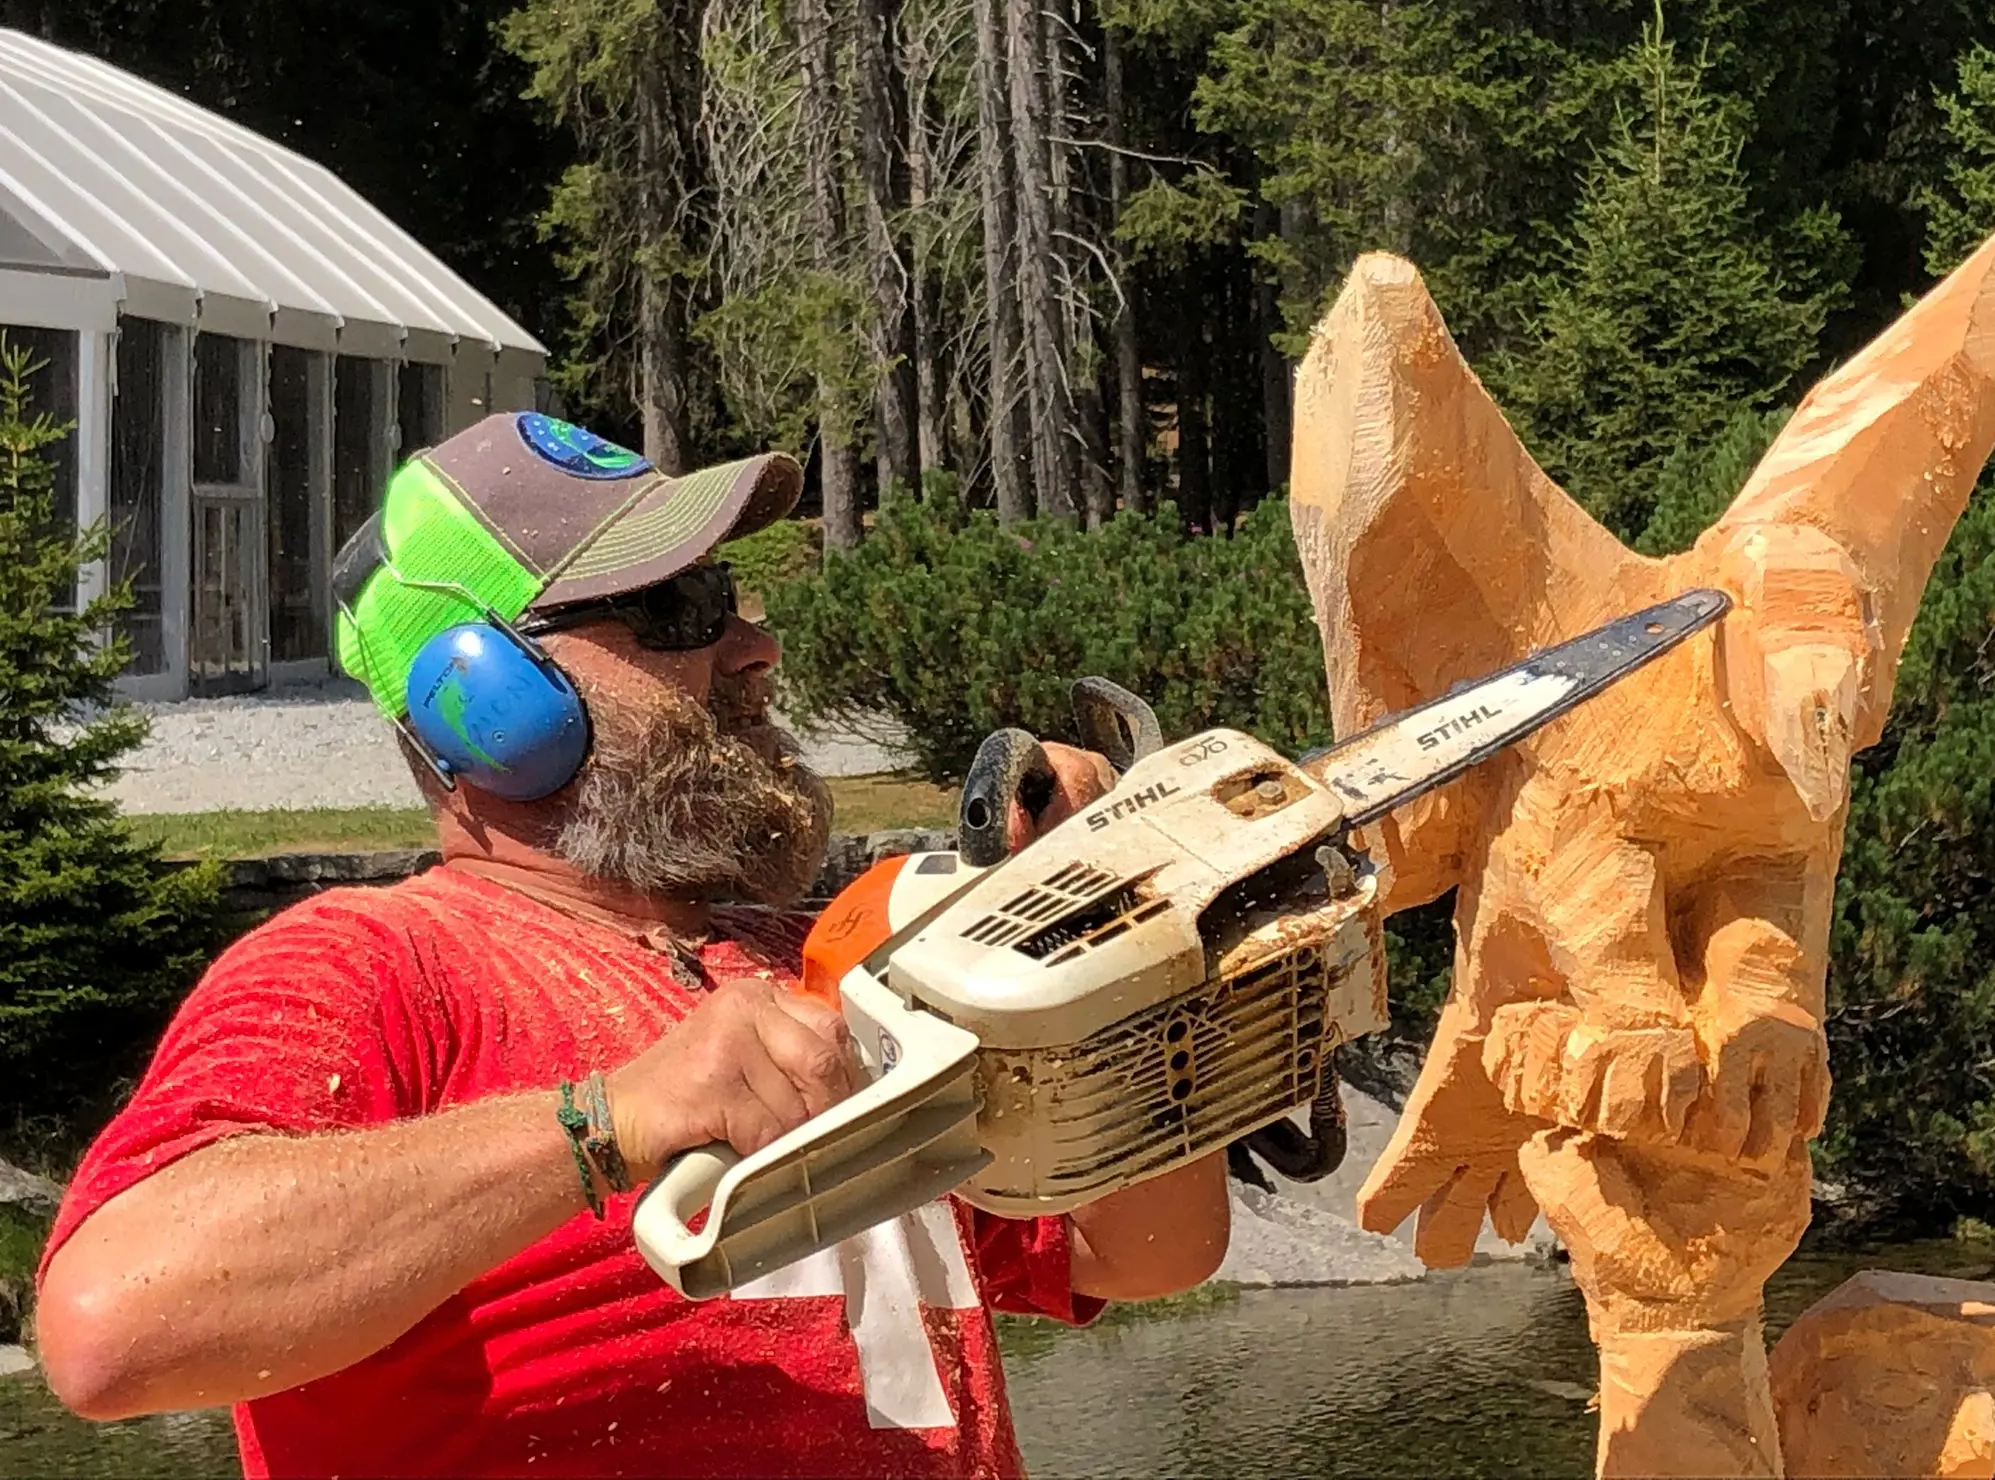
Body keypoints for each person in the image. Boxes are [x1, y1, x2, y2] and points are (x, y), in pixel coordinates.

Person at [33, 413, 1230, 1479]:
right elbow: (107, 1328)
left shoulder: (811, 958)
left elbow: (1139, 1249)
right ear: (484, 689)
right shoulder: (370, 966)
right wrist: (599, 1123)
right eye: (678, 612)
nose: (754, 647)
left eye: (733, 600)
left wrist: (1105, 919)